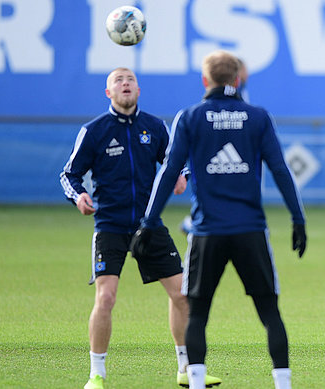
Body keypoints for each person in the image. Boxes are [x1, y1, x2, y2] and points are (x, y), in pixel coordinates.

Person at [130, 50, 307, 389]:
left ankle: (195, 383)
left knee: (197, 314)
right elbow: (280, 169)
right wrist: (297, 219)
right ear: (237, 79)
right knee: (270, 313)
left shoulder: (190, 117)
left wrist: (148, 222)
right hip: (251, 230)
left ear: (205, 79)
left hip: (206, 231)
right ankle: (283, 385)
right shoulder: (258, 117)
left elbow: (169, 173)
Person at [59, 68, 221, 389]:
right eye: (118, 81)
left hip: (149, 224)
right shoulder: (94, 131)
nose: (125, 84)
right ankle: (96, 375)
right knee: (106, 298)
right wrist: (79, 196)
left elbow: (178, 159)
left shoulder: (154, 127)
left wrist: (181, 176)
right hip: (110, 226)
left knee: (182, 295)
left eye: (130, 79)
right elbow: (69, 174)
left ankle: (185, 369)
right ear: (109, 93)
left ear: (138, 88)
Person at [179, 56, 250, 235]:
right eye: (244, 70)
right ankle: (197, 218)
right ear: (237, 76)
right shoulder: (234, 94)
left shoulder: (239, 93)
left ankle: (199, 218)